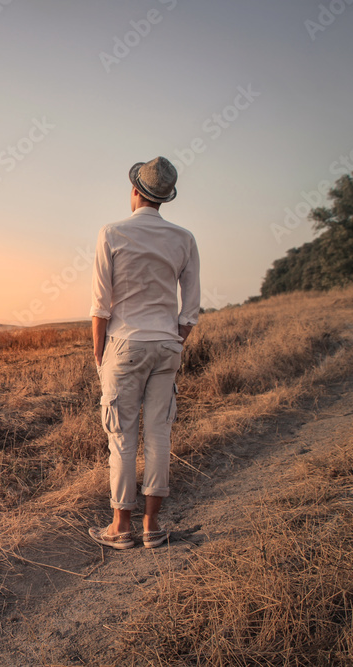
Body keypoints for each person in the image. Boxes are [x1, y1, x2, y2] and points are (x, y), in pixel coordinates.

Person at [88, 156, 200, 550]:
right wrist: (173, 340)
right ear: (165, 197)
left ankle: (121, 527)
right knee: (159, 435)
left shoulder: (112, 233)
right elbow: (191, 310)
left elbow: (101, 306)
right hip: (167, 344)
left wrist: (100, 356)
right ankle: (152, 526)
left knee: (121, 437)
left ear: (135, 191)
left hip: (124, 344)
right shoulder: (184, 238)